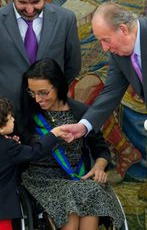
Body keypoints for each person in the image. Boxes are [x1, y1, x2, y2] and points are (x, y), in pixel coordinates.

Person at [60, 1, 147, 230]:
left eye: (105, 40)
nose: (104, 48)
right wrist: (84, 126)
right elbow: (110, 92)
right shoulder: (119, 53)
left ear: (123, 29)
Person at [19, 58, 125, 230]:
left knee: (93, 191)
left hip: (76, 177)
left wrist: (99, 166)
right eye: (32, 92)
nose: (38, 99)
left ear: (58, 86)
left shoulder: (81, 113)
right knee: (71, 195)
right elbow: (19, 152)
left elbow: (101, 150)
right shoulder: (25, 114)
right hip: (41, 180)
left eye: (43, 92)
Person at [0, 0, 81, 118]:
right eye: (22, 2)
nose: (29, 9)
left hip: (50, 112)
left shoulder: (65, 19)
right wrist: (1, 95)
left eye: (36, 2)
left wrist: (52, 92)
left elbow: (73, 65)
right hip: (6, 114)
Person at [0, 96, 65, 230]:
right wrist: (53, 134)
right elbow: (35, 151)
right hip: (1, 213)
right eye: (10, 117)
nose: (13, 119)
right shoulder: (8, 147)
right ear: (0, 127)